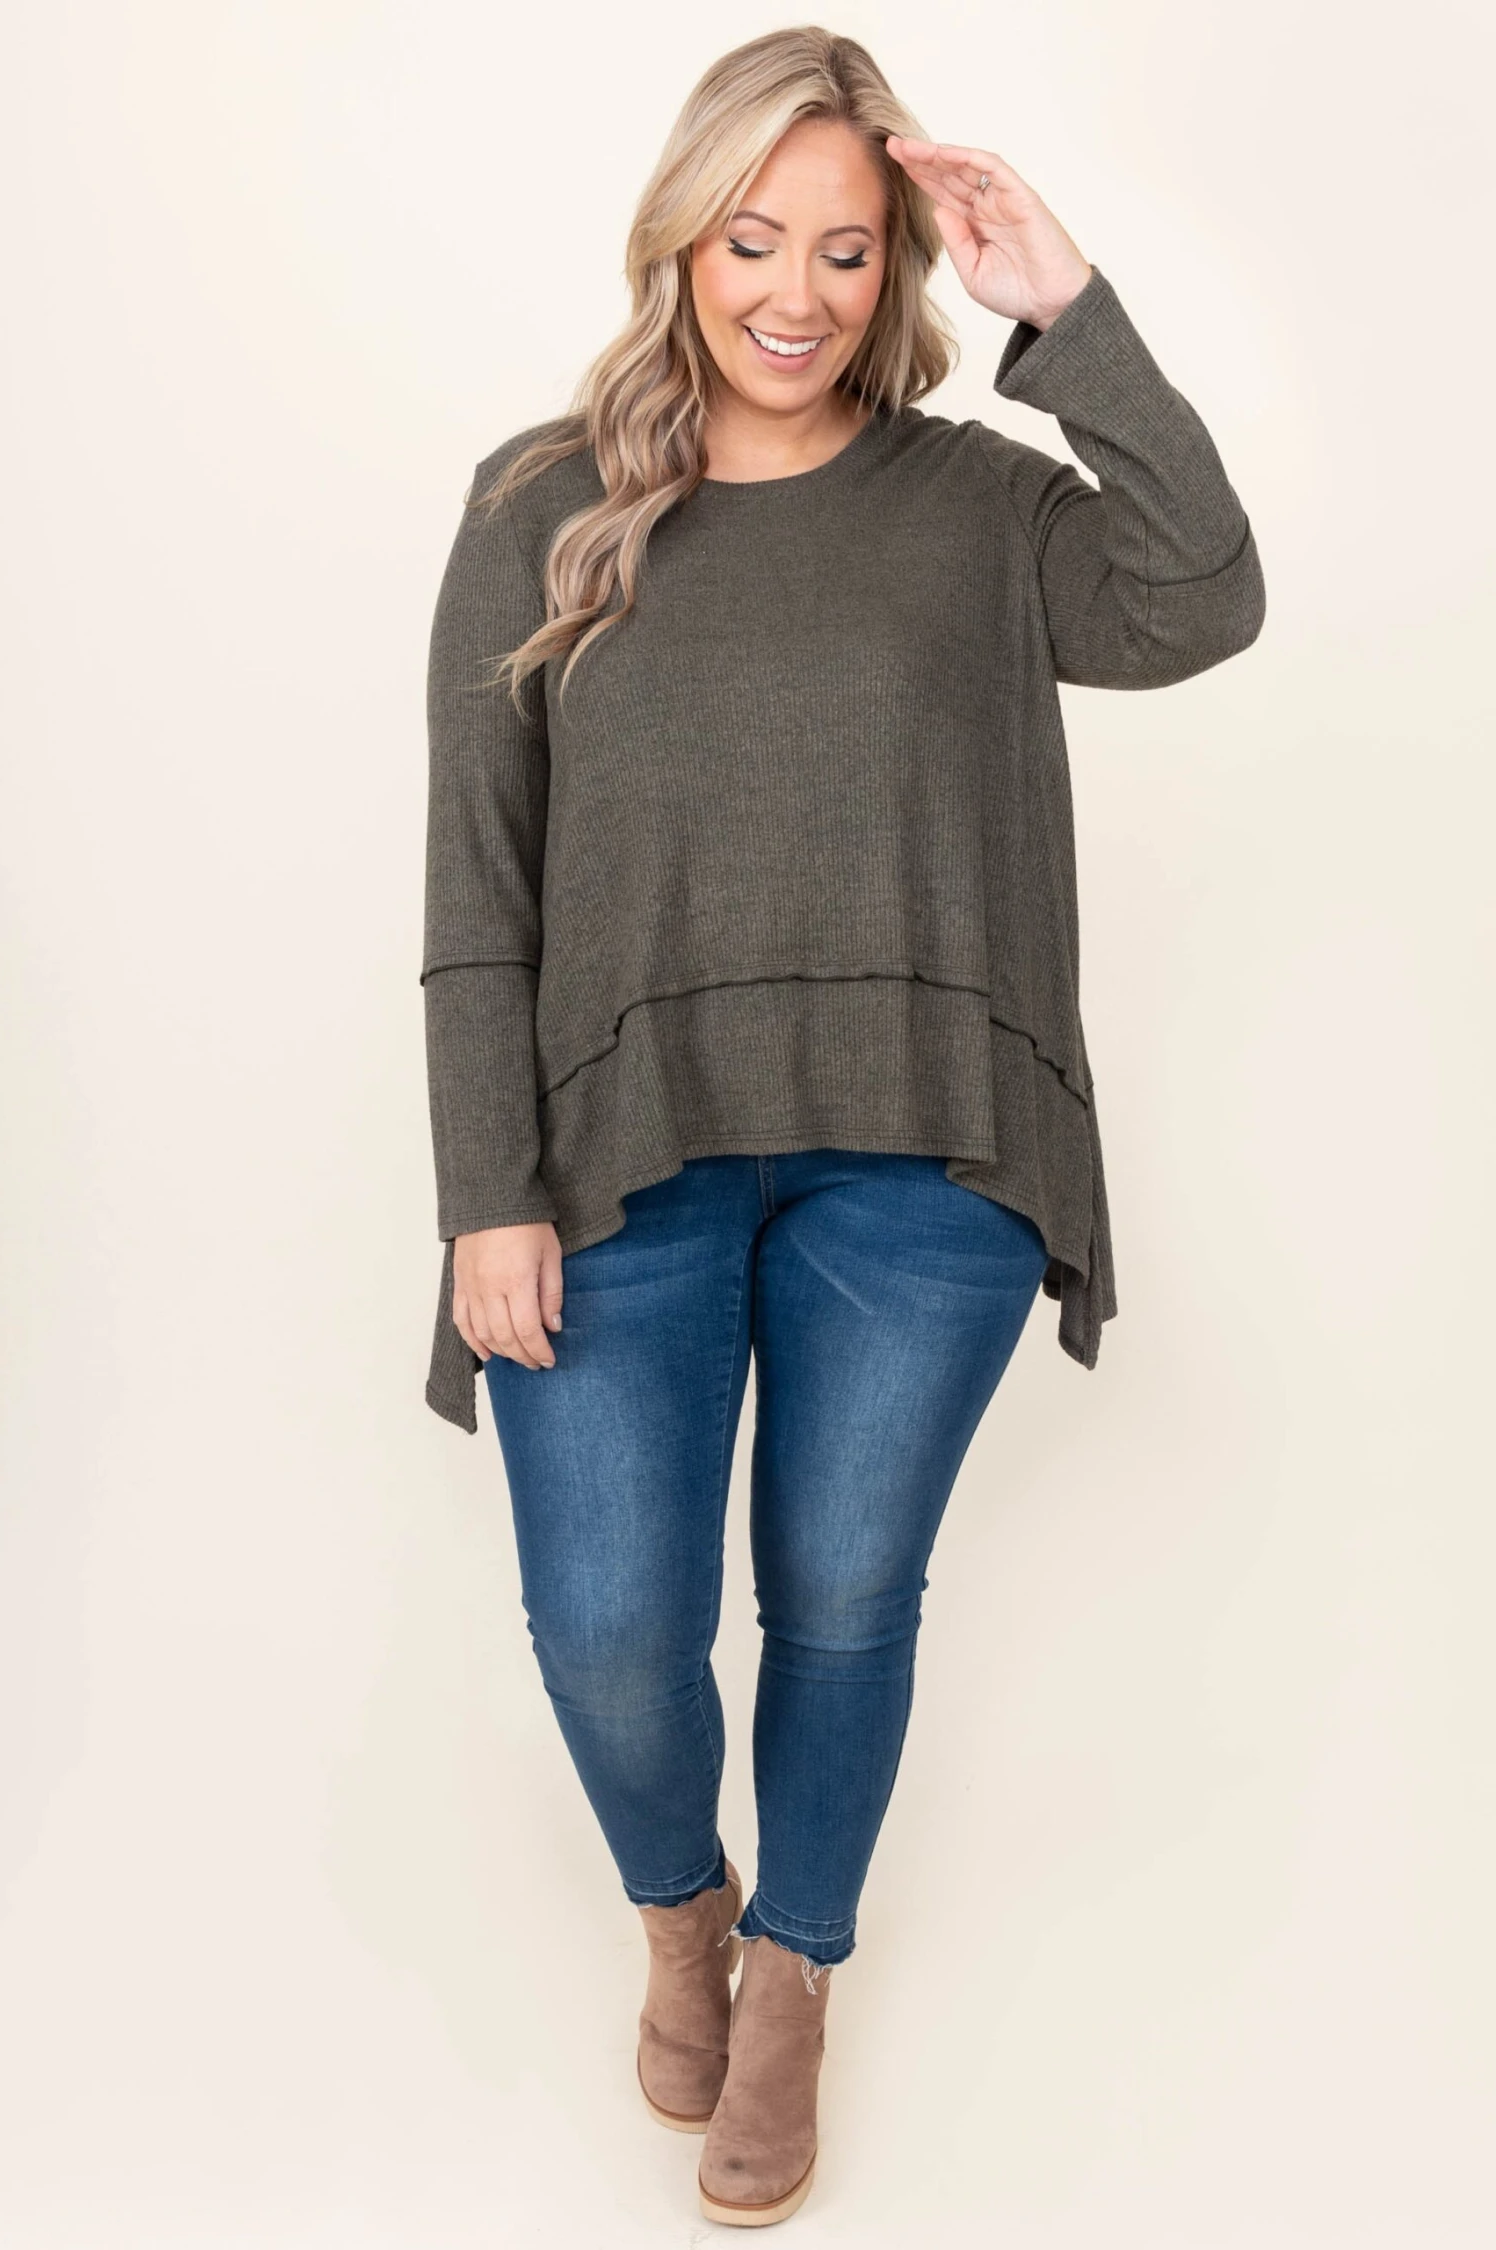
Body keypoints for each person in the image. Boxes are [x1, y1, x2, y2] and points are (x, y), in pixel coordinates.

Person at [418, 25, 1264, 2229]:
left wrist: (1067, 310)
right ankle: (682, 1910)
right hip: (619, 1154)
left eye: (847, 249)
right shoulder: (539, 504)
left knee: (843, 1595)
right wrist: (487, 1190)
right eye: (751, 238)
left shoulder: (981, 509)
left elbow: (1204, 591)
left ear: (900, 269)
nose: (793, 292)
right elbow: (478, 883)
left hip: (923, 1155)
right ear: (680, 240)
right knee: (610, 1631)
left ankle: (792, 1975)